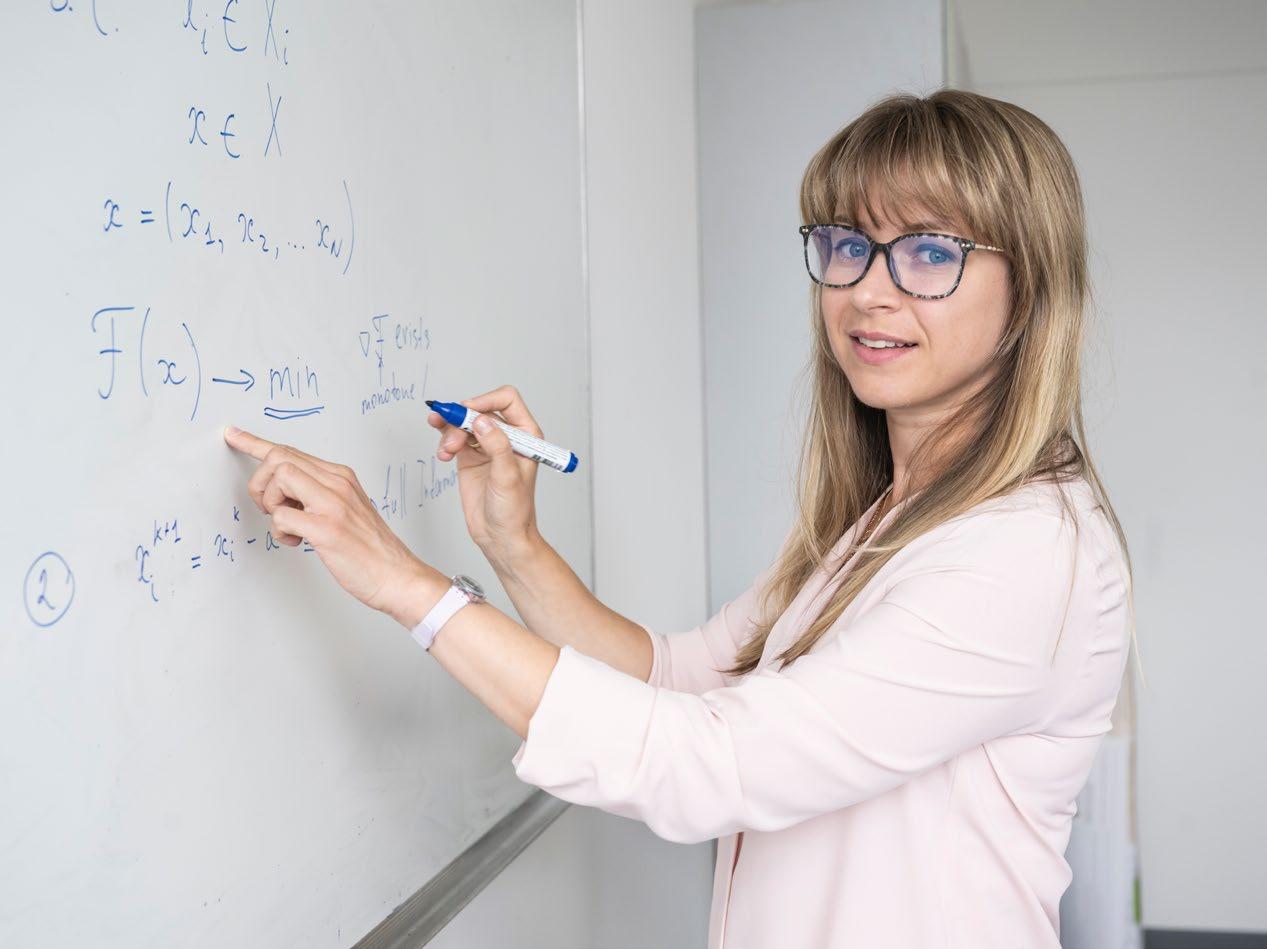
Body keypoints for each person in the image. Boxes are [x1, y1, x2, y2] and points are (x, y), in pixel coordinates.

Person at [222, 88, 1138, 948]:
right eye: (847, 243)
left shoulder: (1023, 553)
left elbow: (710, 764)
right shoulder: (887, 517)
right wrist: (513, 543)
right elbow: (678, 678)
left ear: (1029, 289)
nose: (868, 289)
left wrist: (404, 583)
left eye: (930, 252)